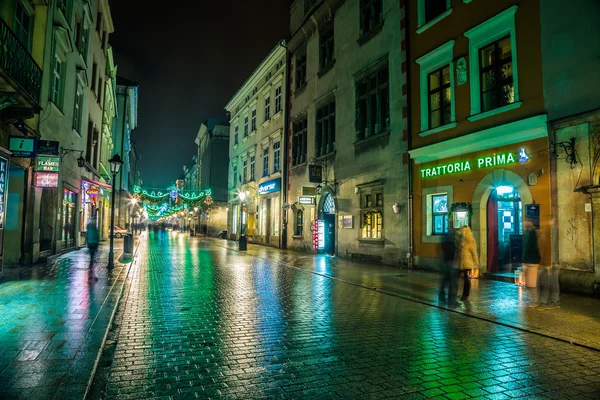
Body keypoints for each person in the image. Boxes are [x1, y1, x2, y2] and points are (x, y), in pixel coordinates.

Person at [456, 226, 479, 301]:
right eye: (462, 230)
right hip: (458, 262)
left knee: (466, 279)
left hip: (466, 263)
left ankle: (465, 295)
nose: (462, 232)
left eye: (464, 231)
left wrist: (477, 263)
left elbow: (474, 254)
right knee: (455, 278)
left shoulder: (471, 241)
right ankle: (453, 294)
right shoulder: (459, 240)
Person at [439, 236, 458, 306]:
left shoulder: (445, 240)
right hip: (451, 262)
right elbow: (452, 252)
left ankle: (442, 296)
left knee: (446, 280)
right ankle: (451, 301)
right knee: (453, 282)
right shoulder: (450, 242)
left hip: (447, 261)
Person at [87, 216, 99, 281]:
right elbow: (95, 236)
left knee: (92, 255)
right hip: (92, 243)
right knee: (93, 256)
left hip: (92, 243)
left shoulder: (91, 227)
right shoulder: (93, 228)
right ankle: (91, 266)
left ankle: (91, 265)